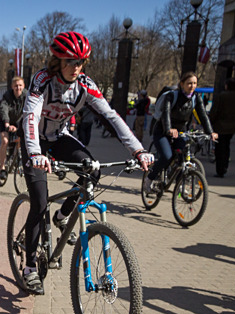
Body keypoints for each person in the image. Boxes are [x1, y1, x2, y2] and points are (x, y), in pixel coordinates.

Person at [20, 31, 153, 295]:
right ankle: (30, 267)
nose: (75, 67)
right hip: (35, 143)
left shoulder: (85, 84)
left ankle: (62, 216)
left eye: (80, 62)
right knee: (39, 200)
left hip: (58, 137)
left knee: (92, 170)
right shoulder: (42, 79)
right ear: (57, 60)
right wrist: (35, 154)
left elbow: (112, 117)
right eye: (70, 61)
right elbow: (30, 117)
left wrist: (138, 149)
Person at [145, 71, 217, 192]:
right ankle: (149, 179)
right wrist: (168, 129)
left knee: (184, 157)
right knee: (167, 156)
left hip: (181, 131)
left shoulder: (196, 98)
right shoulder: (172, 96)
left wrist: (210, 132)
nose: (192, 86)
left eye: (195, 83)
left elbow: (203, 115)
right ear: (182, 84)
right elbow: (166, 114)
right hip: (162, 131)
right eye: (189, 83)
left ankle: (180, 185)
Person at [209, 77, 235, 178]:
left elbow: (215, 110)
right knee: (226, 146)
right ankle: (225, 165)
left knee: (220, 148)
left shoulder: (222, 96)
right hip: (232, 126)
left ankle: (220, 169)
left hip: (220, 126)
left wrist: (210, 121)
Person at [0, 76, 28, 172]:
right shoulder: (7, 96)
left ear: (24, 86)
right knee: (5, 141)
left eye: (20, 85)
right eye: (16, 86)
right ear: (12, 87)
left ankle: (16, 159)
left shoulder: (27, 96)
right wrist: (7, 124)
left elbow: (30, 109)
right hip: (5, 120)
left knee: (21, 140)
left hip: (18, 121)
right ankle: (2, 167)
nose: (18, 88)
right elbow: (4, 109)